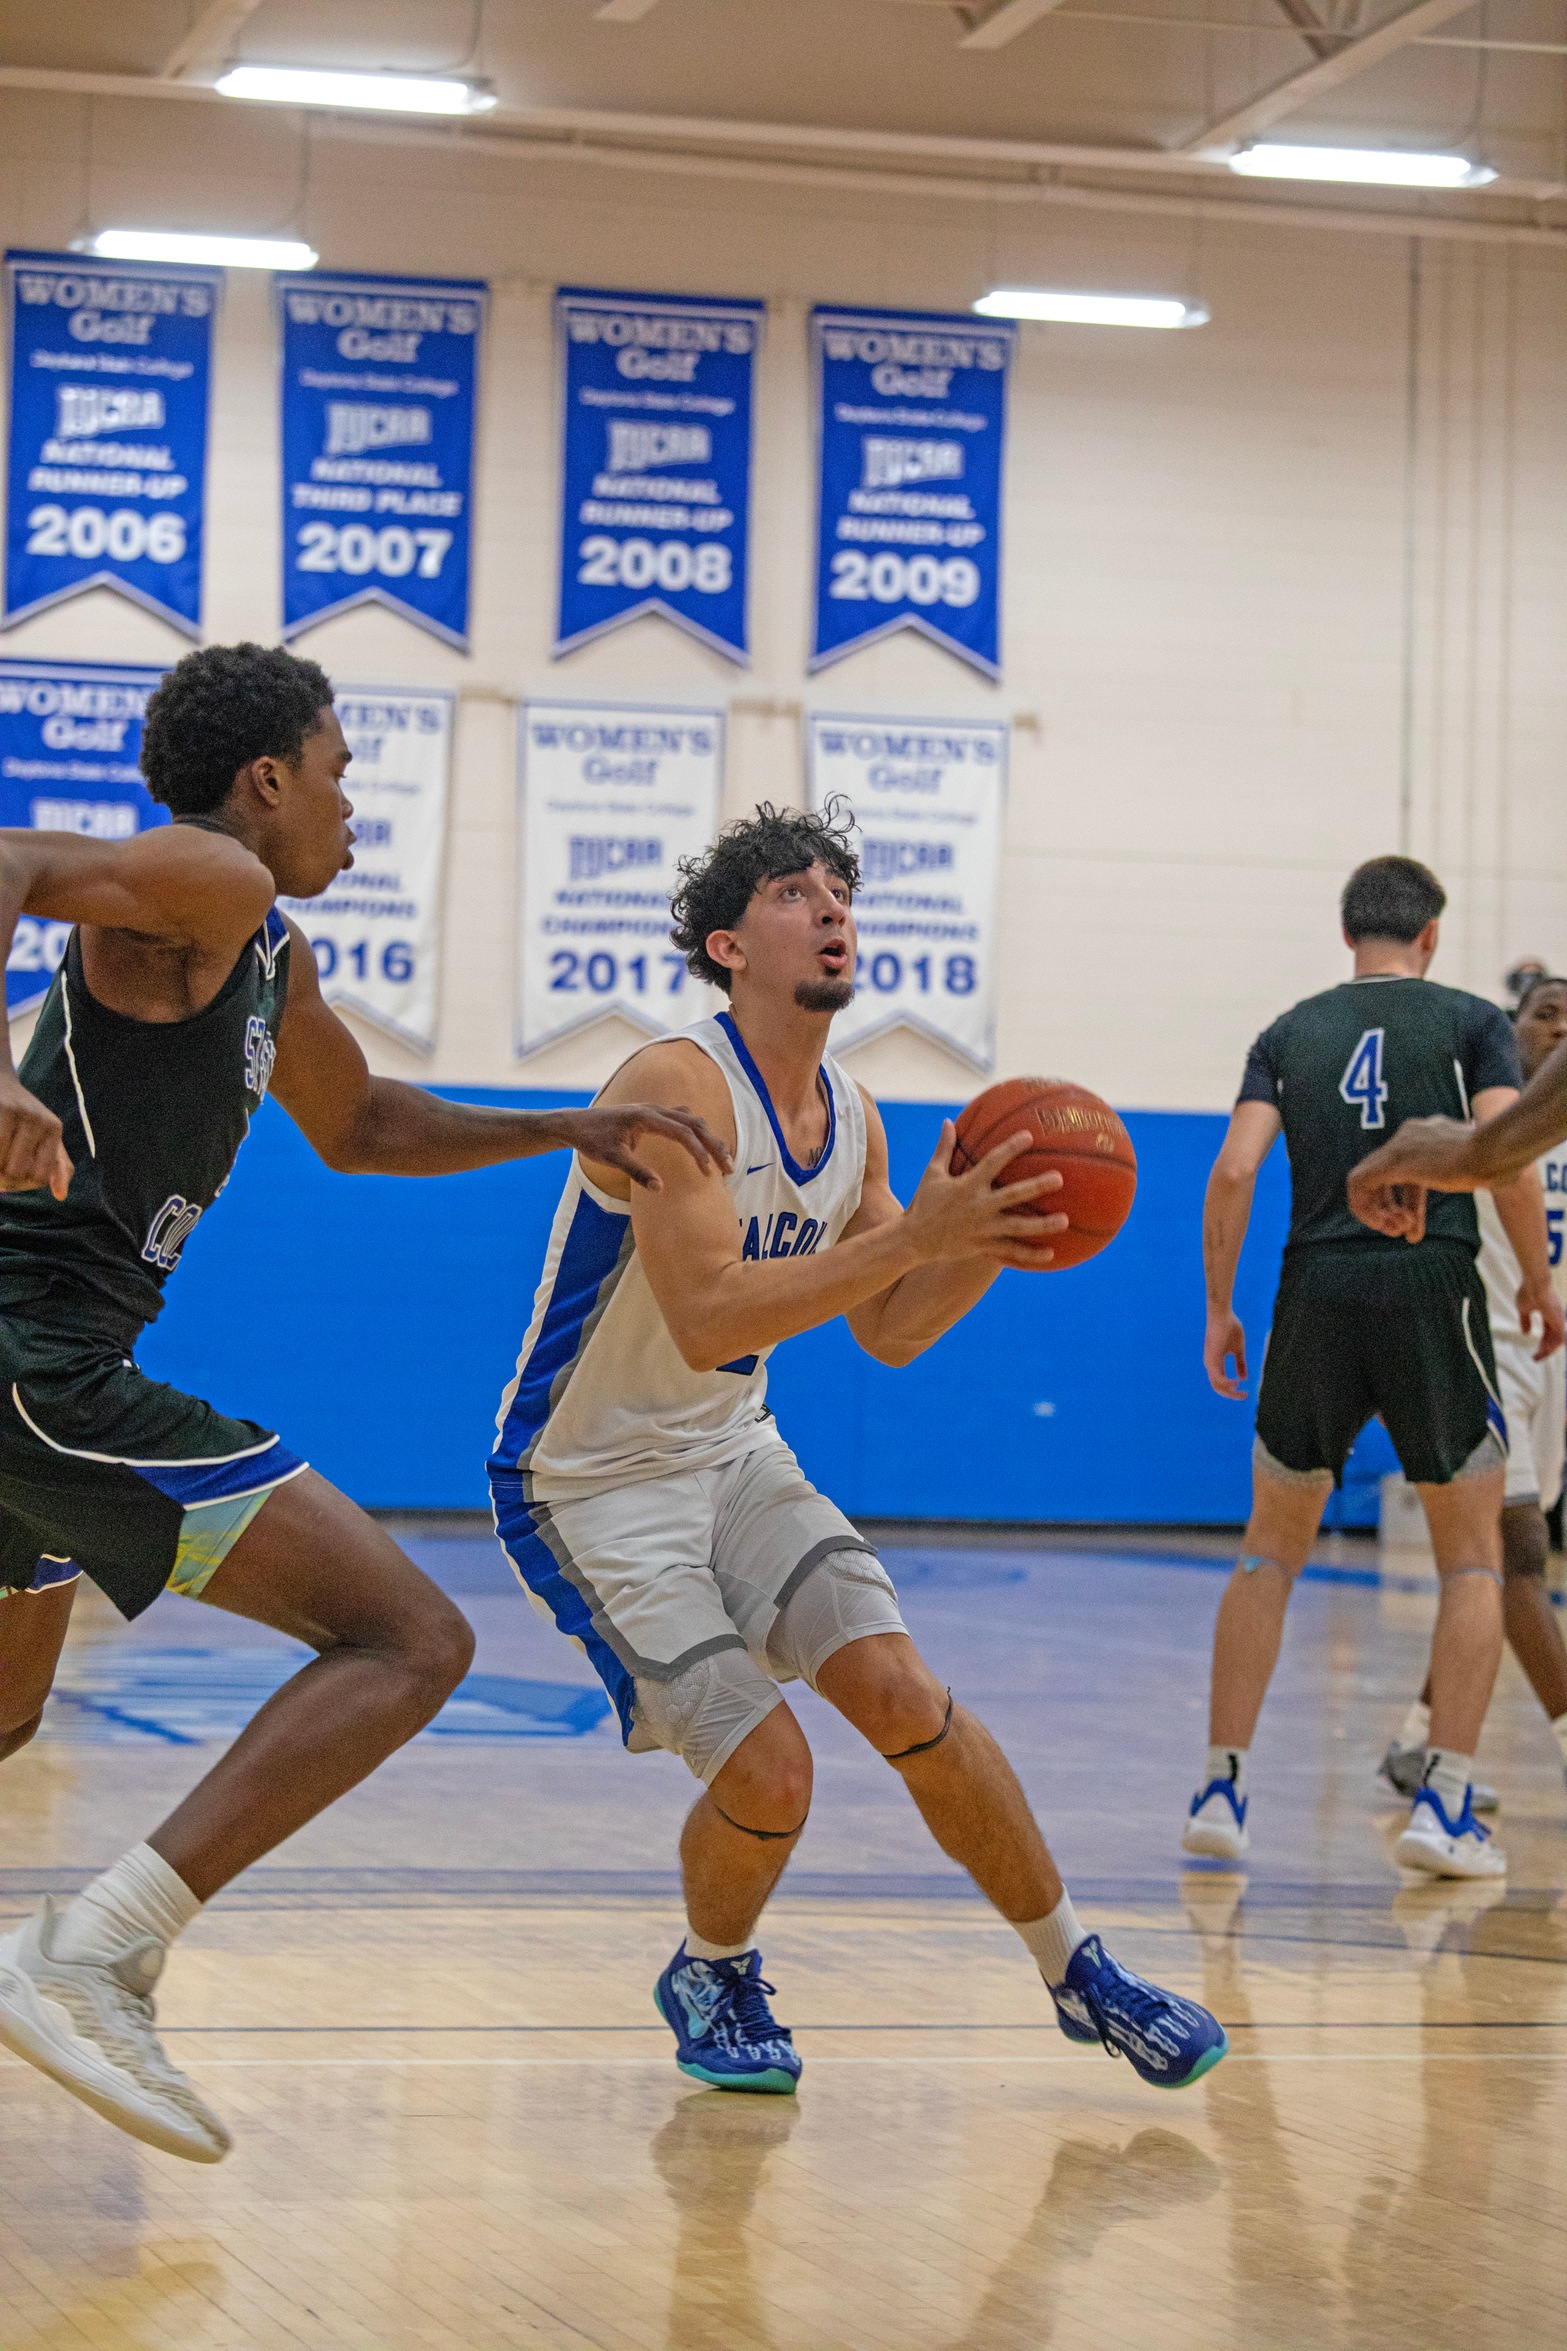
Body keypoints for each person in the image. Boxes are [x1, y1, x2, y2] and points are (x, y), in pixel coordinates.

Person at [0, 641, 725, 2165]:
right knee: (408, 1635)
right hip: (34, 1355)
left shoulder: (271, 955)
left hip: (36, 1369)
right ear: (266, 780)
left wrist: (568, 1121)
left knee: (4, 1715)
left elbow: (365, 1123)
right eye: (341, 772)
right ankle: (97, 1950)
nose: (355, 810)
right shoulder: (213, 874)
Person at [488, 802, 1228, 2098]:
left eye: (839, 889)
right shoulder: (672, 1087)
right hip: (590, 1482)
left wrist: (983, 1239)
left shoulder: (855, 1112)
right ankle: (710, 1962)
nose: (830, 907)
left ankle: (1075, 1969)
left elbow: (888, 1328)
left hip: (731, 1452)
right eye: (792, 891)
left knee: (900, 1689)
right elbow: (712, 1309)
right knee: (773, 1767)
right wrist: (910, 1237)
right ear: (726, 942)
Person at [1185, 855, 1555, 1881]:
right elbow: (1503, 1152)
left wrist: (1220, 1307)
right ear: (1430, 931)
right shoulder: (1473, 1019)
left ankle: (1220, 1785)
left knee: (1269, 1549)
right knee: (1472, 1556)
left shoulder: (1287, 1030)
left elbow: (1233, 1167)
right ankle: (1443, 1803)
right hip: (1430, 1286)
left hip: (1314, 1289)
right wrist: (1536, 1277)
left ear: (1348, 931)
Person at [1379, 975, 1567, 1802]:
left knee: (1489, 1570)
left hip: (1551, 1358)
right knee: (1517, 1552)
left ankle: (1415, 1743)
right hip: (1478, 1344)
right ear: (1510, 1027)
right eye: (1545, 1012)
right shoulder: (1465, 1118)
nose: (1559, 1027)